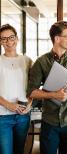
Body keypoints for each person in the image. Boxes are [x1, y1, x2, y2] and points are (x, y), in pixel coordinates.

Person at [27, 21, 67, 154]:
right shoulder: (41, 62)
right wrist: (54, 95)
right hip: (50, 122)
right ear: (56, 38)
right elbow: (31, 92)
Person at [0, 24, 32, 154]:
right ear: (0, 42)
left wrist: (30, 103)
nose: (8, 41)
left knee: (19, 151)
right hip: (2, 117)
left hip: (23, 117)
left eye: (11, 37)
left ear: (17, 39)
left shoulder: (27, 60)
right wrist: (8, 105)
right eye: (4, 38)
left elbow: (33, 87)